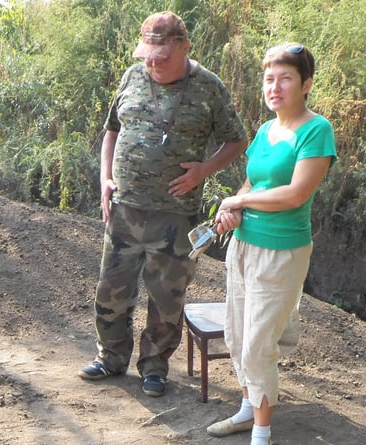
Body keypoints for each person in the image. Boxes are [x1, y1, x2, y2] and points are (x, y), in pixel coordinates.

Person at [78, 11, 247, 397]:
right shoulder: (131, 77)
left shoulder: (208, 87)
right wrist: (105, 178)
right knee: (112, 288)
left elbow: (237, 140)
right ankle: (110, 358)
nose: (153, 64)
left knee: (166, 296)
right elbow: (111, 131)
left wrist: (203, 170)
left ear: (184, 47)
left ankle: (154, 367)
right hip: (124, 209)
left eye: (162, 57)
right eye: (148, 56)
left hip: (175, 215)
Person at [208, 43, 337, 445]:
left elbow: (296, 194)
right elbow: (252, 183)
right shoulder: (265, 130)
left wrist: (239, 200)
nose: (274, 87)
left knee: (259, 344)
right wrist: (232, 209)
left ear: (306, 84)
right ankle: (248, 409)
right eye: (269, 79)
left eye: (285, 78)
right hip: (243, 244)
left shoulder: (316, 131)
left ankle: (262, 437)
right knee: (237, 334)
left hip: (282, 251)